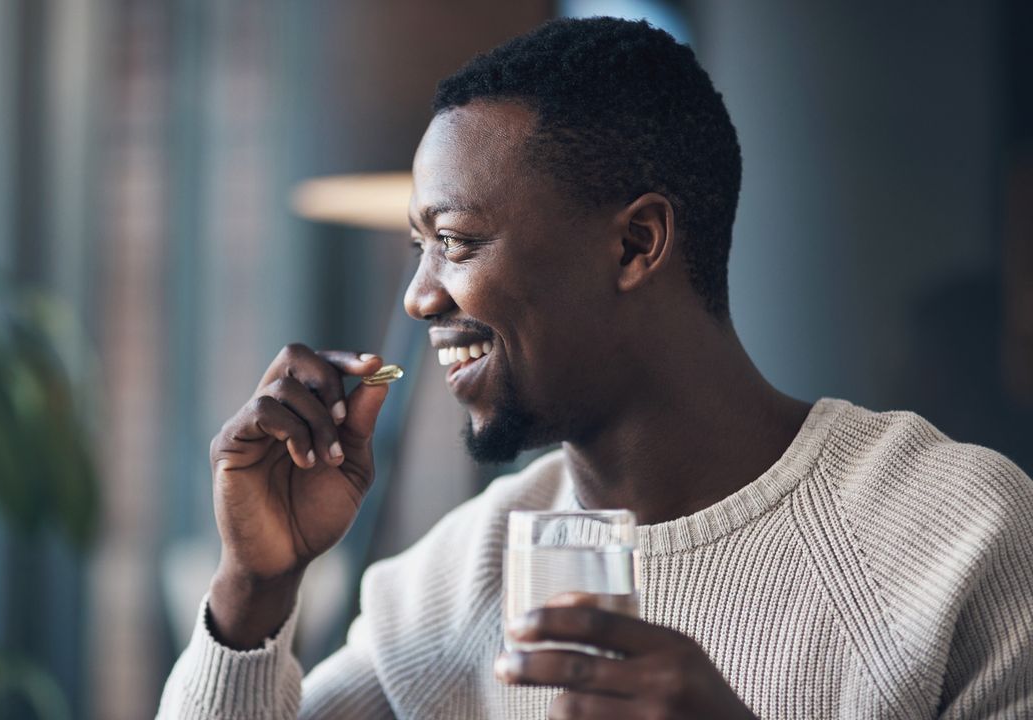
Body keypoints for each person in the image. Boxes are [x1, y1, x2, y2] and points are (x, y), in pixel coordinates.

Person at [157, 16, 1033, 719]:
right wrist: (254, 589)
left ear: (636, 243)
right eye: (418, 248)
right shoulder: (452, 581)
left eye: (456, 243)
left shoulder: (960, 540)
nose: (422, 298)